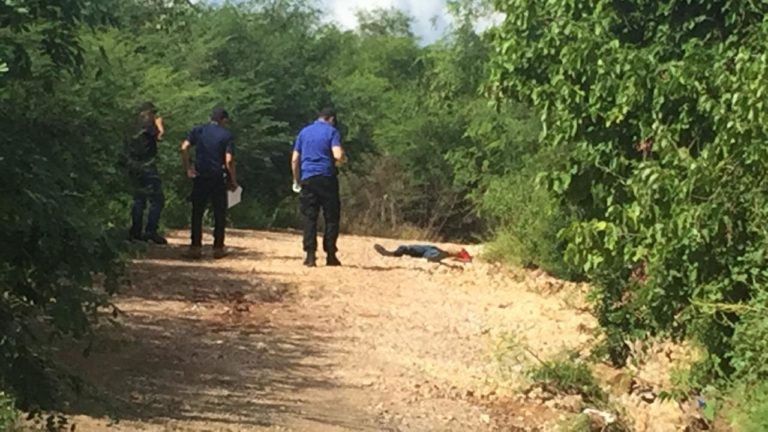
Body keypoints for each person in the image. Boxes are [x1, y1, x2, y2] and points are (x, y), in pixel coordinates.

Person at [180, 108, 238, 260]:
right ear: (223, 120)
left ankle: (195, 247)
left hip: (200, 175)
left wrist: (188, 168)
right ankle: (218, 248)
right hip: (218, 177)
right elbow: (229, 160)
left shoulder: (198, 130)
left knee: (197, 211)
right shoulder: (226, 135)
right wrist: (233, 180)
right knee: (219, 212)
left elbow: (184, 147)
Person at [291, 107, 346, 267]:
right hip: (327, 178)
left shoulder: (304, 132)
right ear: (332, 119)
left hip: (308, 178)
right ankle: (330, 255)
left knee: (310, 217)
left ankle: (310, 256)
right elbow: (337, 155)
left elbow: (295, 159)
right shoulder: (332, 132)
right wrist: (342, 159)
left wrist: (297, 179)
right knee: (331, 217)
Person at [126, 101, 167, 244]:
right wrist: (159, 125)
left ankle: (135, 232)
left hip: (132, 164)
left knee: (139, 199)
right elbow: (160, 136)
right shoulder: (149, 125)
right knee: (157, 199)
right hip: (147, 165)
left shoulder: (132, 126)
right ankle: (150, 231)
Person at [374, 244, 473, 263]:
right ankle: (389, 253)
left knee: (407, 249)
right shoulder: (462, 250)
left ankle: (389, 253)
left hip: (437, 251)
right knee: (406, 248)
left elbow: (468, 260)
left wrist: (455, 259)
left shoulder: (462, 250)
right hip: (432, 249)